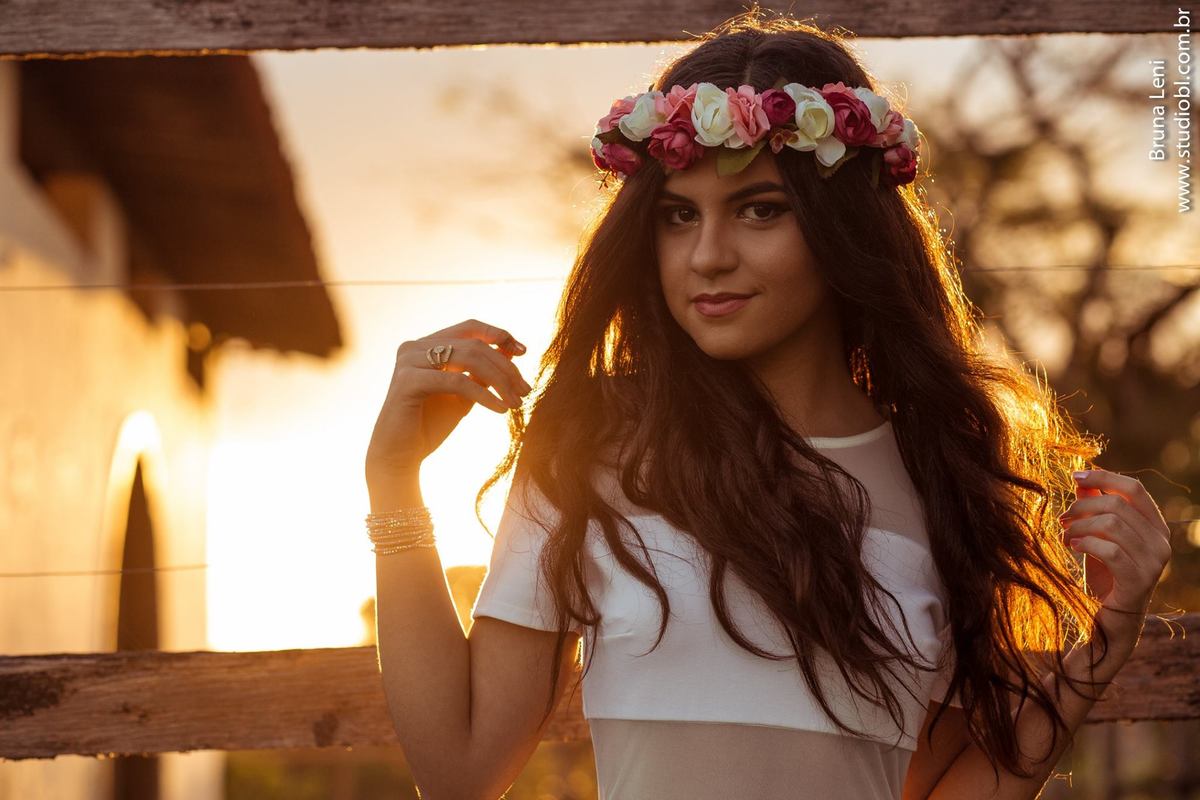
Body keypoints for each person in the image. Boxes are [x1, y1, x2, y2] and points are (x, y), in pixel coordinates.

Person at [363, 10, 1173, 800]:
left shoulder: (942, 476)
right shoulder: (591, 447)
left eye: (760, 209)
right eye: (679, 216)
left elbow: (936, 791)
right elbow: (461, 772)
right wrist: (395, 482)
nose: (708, 257)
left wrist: (1108, 638)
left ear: (841, 225)